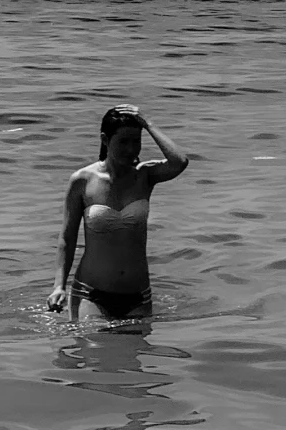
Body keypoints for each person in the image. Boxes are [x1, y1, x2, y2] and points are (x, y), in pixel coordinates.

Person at [47, 105, 189, 330]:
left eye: (136, 141)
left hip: (138, 296)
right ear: (105, 139)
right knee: (96, 353)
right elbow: (67, 238)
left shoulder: (145, 175)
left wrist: (148, 123)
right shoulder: (82, 180)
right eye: (123, 141)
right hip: (90, 294)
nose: (131, 149)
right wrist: (59, 286)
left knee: (132, 362)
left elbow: (179, 162)